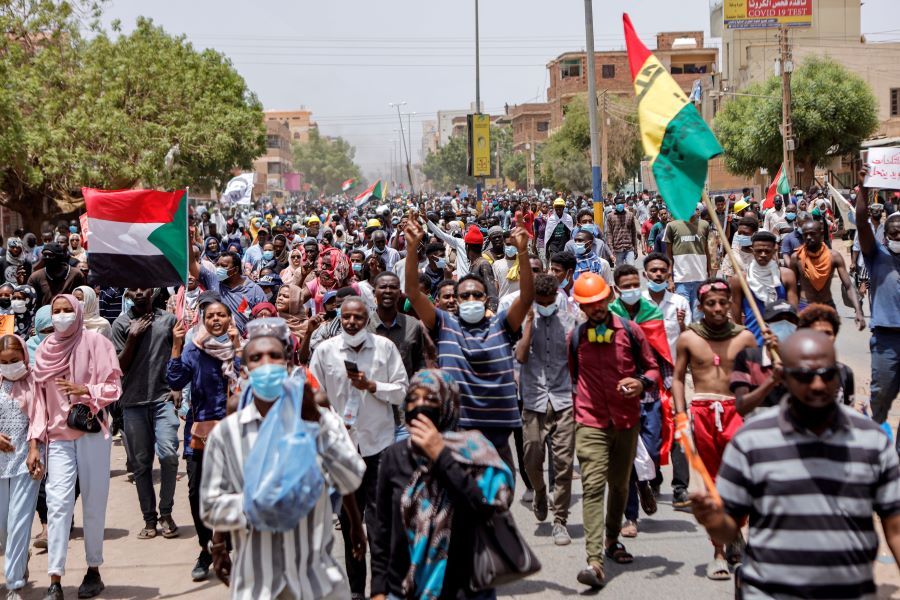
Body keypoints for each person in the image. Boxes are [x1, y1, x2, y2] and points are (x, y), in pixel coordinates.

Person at [692, 330, 900, 599]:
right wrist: (711, 519)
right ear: (784, 378)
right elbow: (728, 527)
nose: (816, 384)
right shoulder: (751, 441)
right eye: (803, 375)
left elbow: (894, 527)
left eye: (826, 374)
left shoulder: (871, 441)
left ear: (838, 375)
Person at [201, 322, 365, 599]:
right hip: (257, 582)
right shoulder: (228, 434)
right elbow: (211, 505)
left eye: (274, 356)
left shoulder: (320, 419)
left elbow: (351, 476)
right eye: (256, 358)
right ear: (245, 370)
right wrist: (257, 506)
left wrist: (316, 424)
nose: (266, 364)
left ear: (288, 363)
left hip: (317, 581)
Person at [370, 369, 514, 600]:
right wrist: (378, 589)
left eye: (431, 399)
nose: (420, 405)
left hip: (464, 589)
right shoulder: (395, 456)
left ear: (449, 404)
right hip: (405, 589)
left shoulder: (474, 453)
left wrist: (441, 456)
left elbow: (485, 510)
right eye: (413, 398)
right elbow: (382, 529)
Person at [404, 219, 533, 472]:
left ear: (486, 299)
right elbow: (412, 292)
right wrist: (411, 250)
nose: (471, 299)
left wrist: (523, 252)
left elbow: (527, 296)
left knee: (496, 504)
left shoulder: (501, 325)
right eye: (465, 295)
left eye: (477, 295)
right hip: (456, 437)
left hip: (497, 437)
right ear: (457, 301)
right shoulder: (444, 325)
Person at [309, 296, 408, 600]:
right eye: (347, 317)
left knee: (378, 527)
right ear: (341, 317)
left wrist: (373, 386)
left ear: (368, 319)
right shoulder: (325, 351)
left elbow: (402, 390)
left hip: (378, 445)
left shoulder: (385, 348)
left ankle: (379, 589)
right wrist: (331, 423)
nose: (352, 322)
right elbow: (313, 395)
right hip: (342, 450)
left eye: (359, 318)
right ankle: (356, 591)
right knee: (352, 523)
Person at [569, 272, 659, 589]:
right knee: (593, 487)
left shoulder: (631, 332)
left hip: (626, 420)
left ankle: (611, 539)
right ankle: (594, 561)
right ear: (580, 305)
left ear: (609, 297)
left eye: (599, 301)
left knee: (620, 487)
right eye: (588, 304)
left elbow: (652, 368)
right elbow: (572, 377)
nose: (595, 308)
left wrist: (640, 382)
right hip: (590, 421)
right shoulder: (576, 336)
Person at [31, 295, 122, 600]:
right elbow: (38, 404)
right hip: (58, 437)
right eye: (56, 311)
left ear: (79, 311)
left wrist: (87, 390)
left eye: (67, 310)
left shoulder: (97, 343)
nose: (61, 316)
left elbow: (114, 388)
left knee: (94, 502)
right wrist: (36, 444)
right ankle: (55, 579)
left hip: (91, 433)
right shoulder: (44, 351)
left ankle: (93, 569)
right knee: (58, 506)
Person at [672, 279, 757, 580]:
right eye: (711, 303)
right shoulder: (689, 339)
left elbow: (759, 380)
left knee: (740, 481)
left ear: (731, 304)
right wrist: (681, 413)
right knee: (711, 483)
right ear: (701, 306)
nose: (719, 308)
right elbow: (678, 378)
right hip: (702, 413)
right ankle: (719, 552)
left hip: (737, 412)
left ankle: (735, 531)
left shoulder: (746, 338)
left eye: (724, 302)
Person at [166, 298, 241, 582]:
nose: (216, 320)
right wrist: (175, 346)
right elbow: (174, 381)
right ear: (203, 320)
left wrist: (236, 348)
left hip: (236, 433)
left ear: (229, 319)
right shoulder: (193, 349)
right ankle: (205, 547)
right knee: (197, 493)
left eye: (222, 315)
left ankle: (230, 545)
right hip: (200, 434)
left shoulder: (242, 347)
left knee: (233, 491)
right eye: (211, 316)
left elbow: (249, 379)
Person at [111, 288, 180, 541]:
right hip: (133, 403)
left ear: (152, 289)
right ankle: (149, 519)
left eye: (144, 286)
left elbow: (177, 355)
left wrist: (177, 388)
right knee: (141, 465)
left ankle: (166, 512)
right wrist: (132, 338)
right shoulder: (120, 323)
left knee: (170, 455)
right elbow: (119, 367)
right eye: (134, 287)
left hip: (163, 399)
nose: (139, 291)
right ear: (127, 292)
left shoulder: (168, 320)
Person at [515, 273, 576, 546]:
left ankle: (560, 520)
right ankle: (540, 490)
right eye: (541, 302)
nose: (546, 306)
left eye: (549, 301)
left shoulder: (570, 321)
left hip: (564, 398)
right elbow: (521, 355)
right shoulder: (526, 320)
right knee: (532, 455)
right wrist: (529, 321)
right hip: (534, 398)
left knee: (563, 463)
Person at [0, 334, 44, 600]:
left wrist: (34, 449)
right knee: (2, 527)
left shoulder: (35, 382)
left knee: (18, 524)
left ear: (25, 358)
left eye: (15, 360)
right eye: (4, 362)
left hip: (27, 462)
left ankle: (14, 584)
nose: (10, 366)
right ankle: (20, 558)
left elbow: (40, 417)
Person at [855, 168, 900, 425]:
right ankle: (876, 433)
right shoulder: (877, 256)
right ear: (886, 235)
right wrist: (863, 190)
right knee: (880, 396)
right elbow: (861, 223)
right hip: (886, 339)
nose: (898, 237)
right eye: (893, 233)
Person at [789, 219, 865, 330]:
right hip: (805, 306)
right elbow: (792, 288)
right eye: (805, 235)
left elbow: (848, 286)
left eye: (812, 234)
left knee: (826, 344)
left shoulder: (834, 256)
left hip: (827, 306)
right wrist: (793, 311)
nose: (809, 237)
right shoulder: (796, 258)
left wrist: (858, 310)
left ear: (821, 234)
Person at [729, 231, 798, 345]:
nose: (763, 254)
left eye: (767, 251)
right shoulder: (740, 279)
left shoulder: (787, 276)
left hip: (782, 340)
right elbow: (736, 317)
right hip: (753, 340)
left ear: (774, 250)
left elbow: (793, 312)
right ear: (752, 250)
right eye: (759, 251)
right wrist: (742, 341)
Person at [192, 251, 265, 335]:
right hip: (217, 342)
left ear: (235, 269)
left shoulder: (254, 290)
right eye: (217, 265)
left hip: (244, 344)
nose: (218, 268)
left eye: (223, 266)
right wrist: (188, 238)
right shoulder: (213, 281)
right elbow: (192, 264)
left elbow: (264, 319)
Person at [664, 212, 711, 317]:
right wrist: (669, 279)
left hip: (700, 280)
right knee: (683, 317)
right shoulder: (672, 226)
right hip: (681, 281)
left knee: (698, 317)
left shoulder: (704, 225)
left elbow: (707, 252)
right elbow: (669, 256)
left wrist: (710, 276)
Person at [28, 244, 85, 308]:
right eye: (45, 255)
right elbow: (29, 301)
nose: (47, 258)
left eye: (50, 255)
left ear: (59, 257)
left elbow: (82, 298)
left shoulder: (76, 275)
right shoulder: (36, 277)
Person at [605, 200, 637, 266]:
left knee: (631, 268)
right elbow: (609, 233)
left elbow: (634, 232)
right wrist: (611, 249)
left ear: (624, 204)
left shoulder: (630, 215)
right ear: (615, 204)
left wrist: (635, 248)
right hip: (617, 249)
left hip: (629, 248)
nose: (620, 205)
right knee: (620, 271)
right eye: (618, 203)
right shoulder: (610, 216)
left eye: (621, 203)